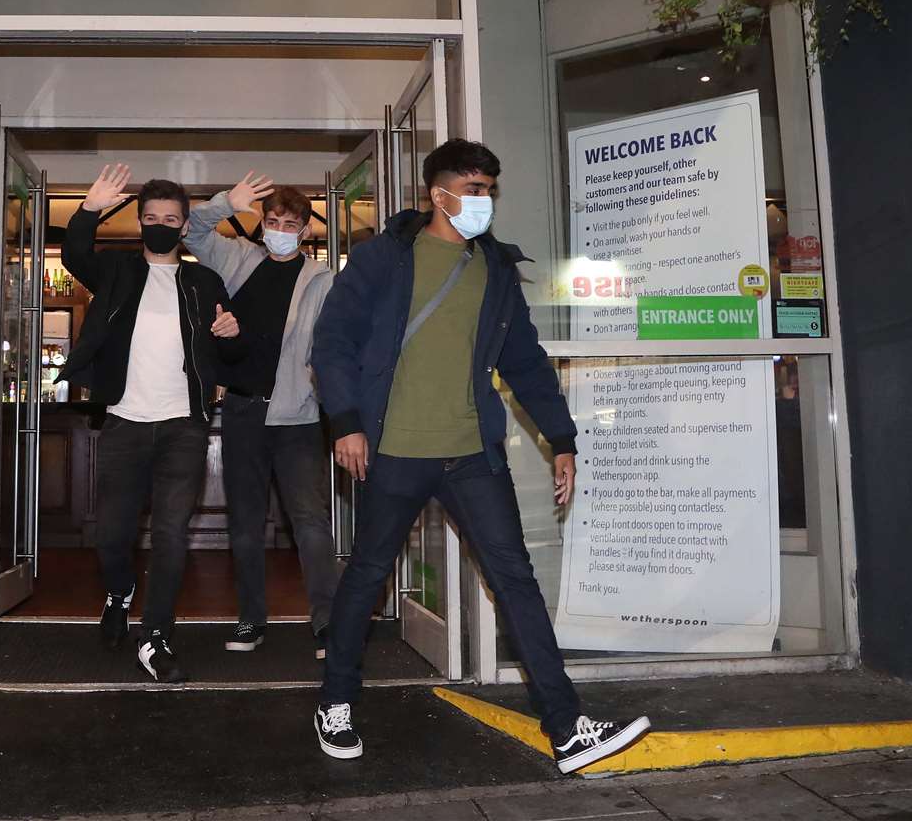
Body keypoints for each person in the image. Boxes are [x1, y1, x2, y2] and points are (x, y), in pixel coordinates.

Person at [309, 139, 649, 774]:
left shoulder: (494, 269)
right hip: (394, 450)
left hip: (471, 452)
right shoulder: (384, 258)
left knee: (515, 578)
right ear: (437, 195)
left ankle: (568, 727)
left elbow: (524, 360)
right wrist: (346, 424)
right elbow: (332, 341)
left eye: (490, 189)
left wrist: (562, 437)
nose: (483, 201)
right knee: (367, 575)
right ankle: (336, 701)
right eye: (472, 189)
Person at [58, 164, 246, 683]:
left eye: (171, 217)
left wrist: (230, 333)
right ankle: (119, 591)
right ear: (140, 223)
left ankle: (156, 633)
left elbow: (231, 352)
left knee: (169, 534)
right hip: (124, 422)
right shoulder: (116, 272)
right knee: (112, 536)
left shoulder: (204, 280)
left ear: (185, 227)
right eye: (151, 217)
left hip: (184, 426)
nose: (161, 224)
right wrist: (90, 209)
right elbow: (75, 256)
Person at [185, 173, 337, 658]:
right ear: (261, 224)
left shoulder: (324, 279)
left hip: (299, 417)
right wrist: (226, 203)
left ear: (306, 230)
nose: (279, 230)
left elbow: (334, 346)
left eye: (290, 224)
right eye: (271, 221)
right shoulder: (239, 259)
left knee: (310, 522)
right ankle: (251, 619)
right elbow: (191, 232)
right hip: (244, 411)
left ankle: (328, 625)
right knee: (246, 523)